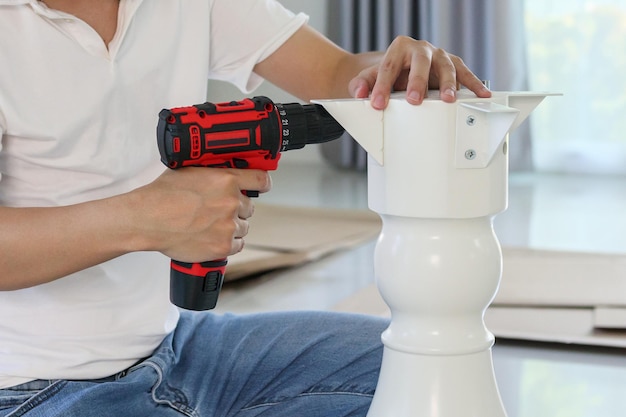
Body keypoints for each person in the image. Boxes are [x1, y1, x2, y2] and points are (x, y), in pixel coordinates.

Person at [0, 1, 492, 416]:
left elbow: (335, 72)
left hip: (182, 347)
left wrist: (392, 73)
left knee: (425, 365)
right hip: (33, 385)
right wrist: (143, 218)